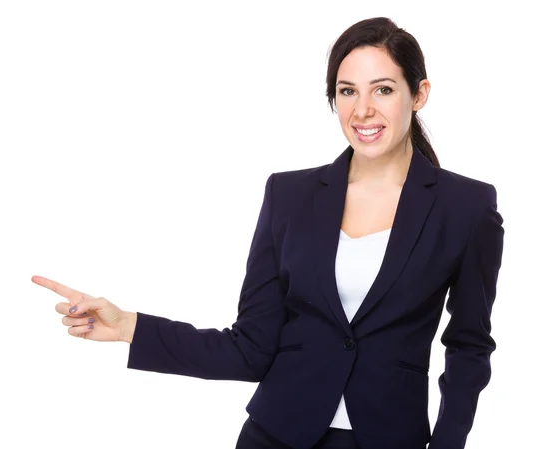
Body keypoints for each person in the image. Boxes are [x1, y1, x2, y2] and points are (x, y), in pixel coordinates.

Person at [33, 17, 504, 449]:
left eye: (382, 90)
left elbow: (469, 346)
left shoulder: (466, 208)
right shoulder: (289, 195)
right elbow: (250, 348)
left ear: (418, 94)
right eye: (346, 91)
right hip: (275, 436)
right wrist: (129, 327)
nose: (362, 110)